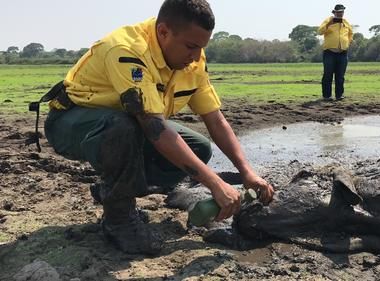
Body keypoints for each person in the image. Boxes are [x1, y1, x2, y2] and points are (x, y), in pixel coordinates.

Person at [42, 0, 274, 255]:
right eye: (191, 46)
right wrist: (215, 183)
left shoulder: (192, 58)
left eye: (201, 47)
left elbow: (215, 119)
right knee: (124, 126)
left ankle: (114, 190)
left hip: (124, 125)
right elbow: (153, 127)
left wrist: (247, 172)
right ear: (163, 32)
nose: (196, 57)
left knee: (198, 148)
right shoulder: (127, 50)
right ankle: (118, 220)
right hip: (71, 124)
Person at [317, 4, 353, 101]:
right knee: (328, 75)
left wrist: (348, 43)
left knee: (340, 76)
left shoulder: (346, 22)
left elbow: (350, 33)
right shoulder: (328, 20)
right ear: (334, 12)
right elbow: (319, 31)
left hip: (342, 53)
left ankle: (339, 95)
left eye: (342, 12)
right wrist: (329, 23)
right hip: (330, 52)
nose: (340, 14)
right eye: (338, 12)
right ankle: (327, 96)